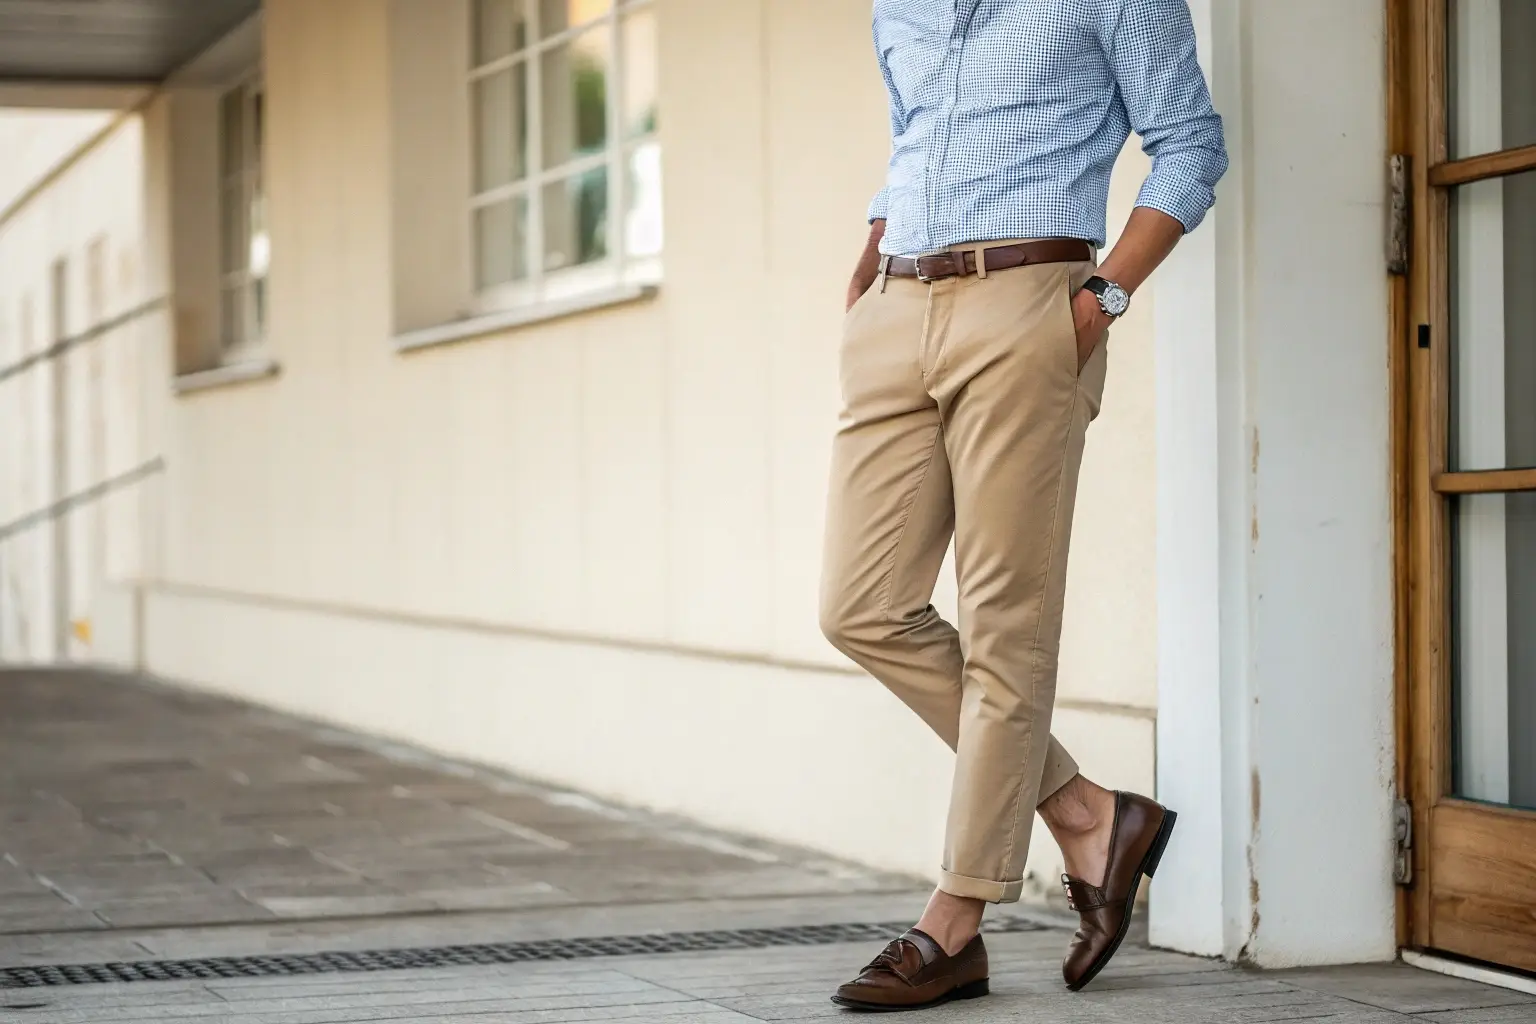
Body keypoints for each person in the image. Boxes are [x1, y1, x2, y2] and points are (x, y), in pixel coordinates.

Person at [819, 0, 1228, 1009]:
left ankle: (953, 922)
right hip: (896, 307)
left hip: (1030, 299)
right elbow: (919, 125)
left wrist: (1102, 300)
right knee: (861, 606)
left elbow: (1189, 145)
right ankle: (1090, 814)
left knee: (1007, 624)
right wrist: (879, 236)